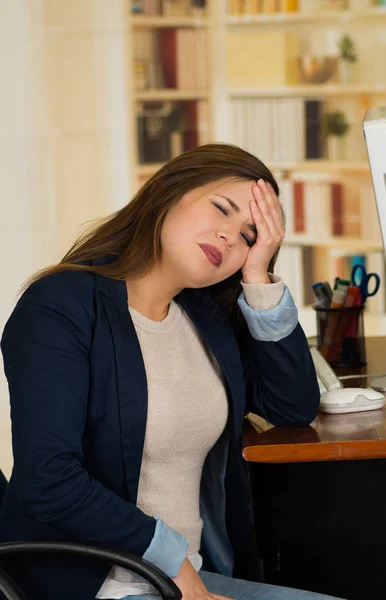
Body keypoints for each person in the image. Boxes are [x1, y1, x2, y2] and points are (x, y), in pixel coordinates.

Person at [0, 144, 342, 600]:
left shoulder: (204, 317)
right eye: (221, 209)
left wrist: (258, 278)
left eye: (248, 236)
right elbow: (48, 479)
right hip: (101, 586)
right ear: (168, 193)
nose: (229, 237)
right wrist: (172, 561)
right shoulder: (61, 306)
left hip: (189, 580)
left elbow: (291, 405)